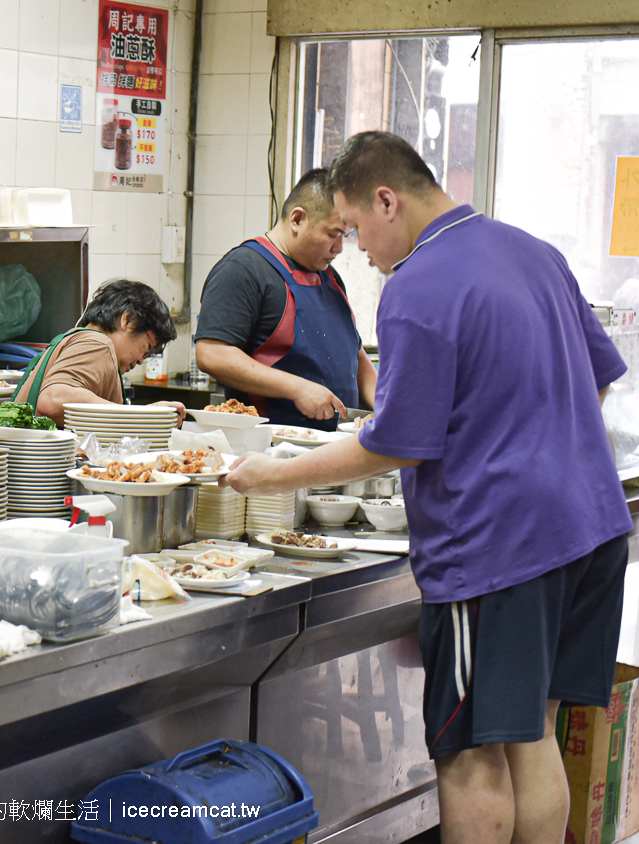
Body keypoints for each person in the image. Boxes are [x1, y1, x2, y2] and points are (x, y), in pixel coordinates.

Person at [225, 132, 632, 844]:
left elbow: (394, 444)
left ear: (389, 200)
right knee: (531, 729)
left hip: (499, 551)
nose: (359, 251)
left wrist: (270, 473)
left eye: (355, 229)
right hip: (592, 528)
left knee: (469, 750)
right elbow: (596, 378)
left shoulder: (418, 285)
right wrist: (532, 447)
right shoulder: (534, 252)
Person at [194, 168, 376, 429]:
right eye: (332, 234)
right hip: (273, 450)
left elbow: (355, 357)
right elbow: (211, 353)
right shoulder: (243, 269)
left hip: (337, 448)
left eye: (345, 237)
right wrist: (297, 389)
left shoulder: (331, 277)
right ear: (297, 219)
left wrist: (386, 405)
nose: (338, 249)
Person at [12, 279, 185, 427]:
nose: (141, 360)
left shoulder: (77, 339)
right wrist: (141, 414)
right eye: (148, 347)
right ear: (128, 319)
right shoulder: (97, 344)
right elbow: (52, 399)